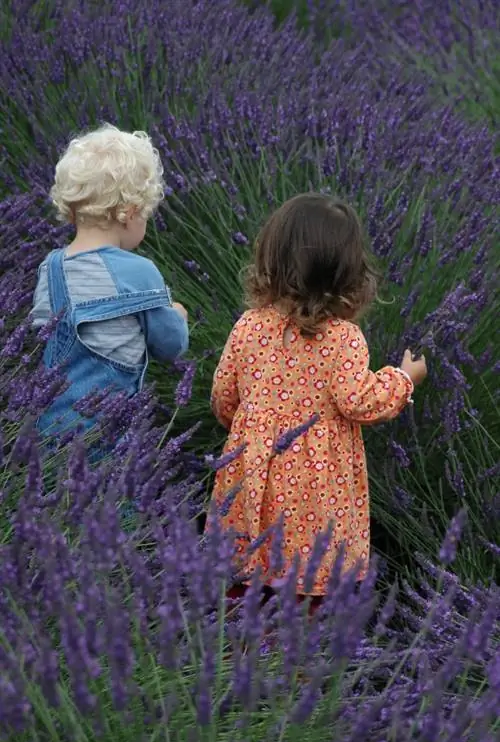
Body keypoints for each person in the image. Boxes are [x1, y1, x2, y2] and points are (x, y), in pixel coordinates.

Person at [211, 193, 427, 608]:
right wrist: (403, 378)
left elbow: (224, 397)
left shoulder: (249, 327)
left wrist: (250, 430)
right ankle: (300, 664)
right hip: (315, 489)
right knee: (308, 582)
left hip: (252, 475)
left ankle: (243, 658)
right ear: (348, 275)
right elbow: (360, 401)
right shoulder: (343, 338)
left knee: (245, 583)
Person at [31, 124, 189, 441]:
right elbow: (170, 347)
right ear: (130, 213)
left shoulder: (50, 268)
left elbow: (44, 336)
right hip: (109, 433)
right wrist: (177, 316)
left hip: (49, 429)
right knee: (112, 492)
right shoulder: (139, 272)